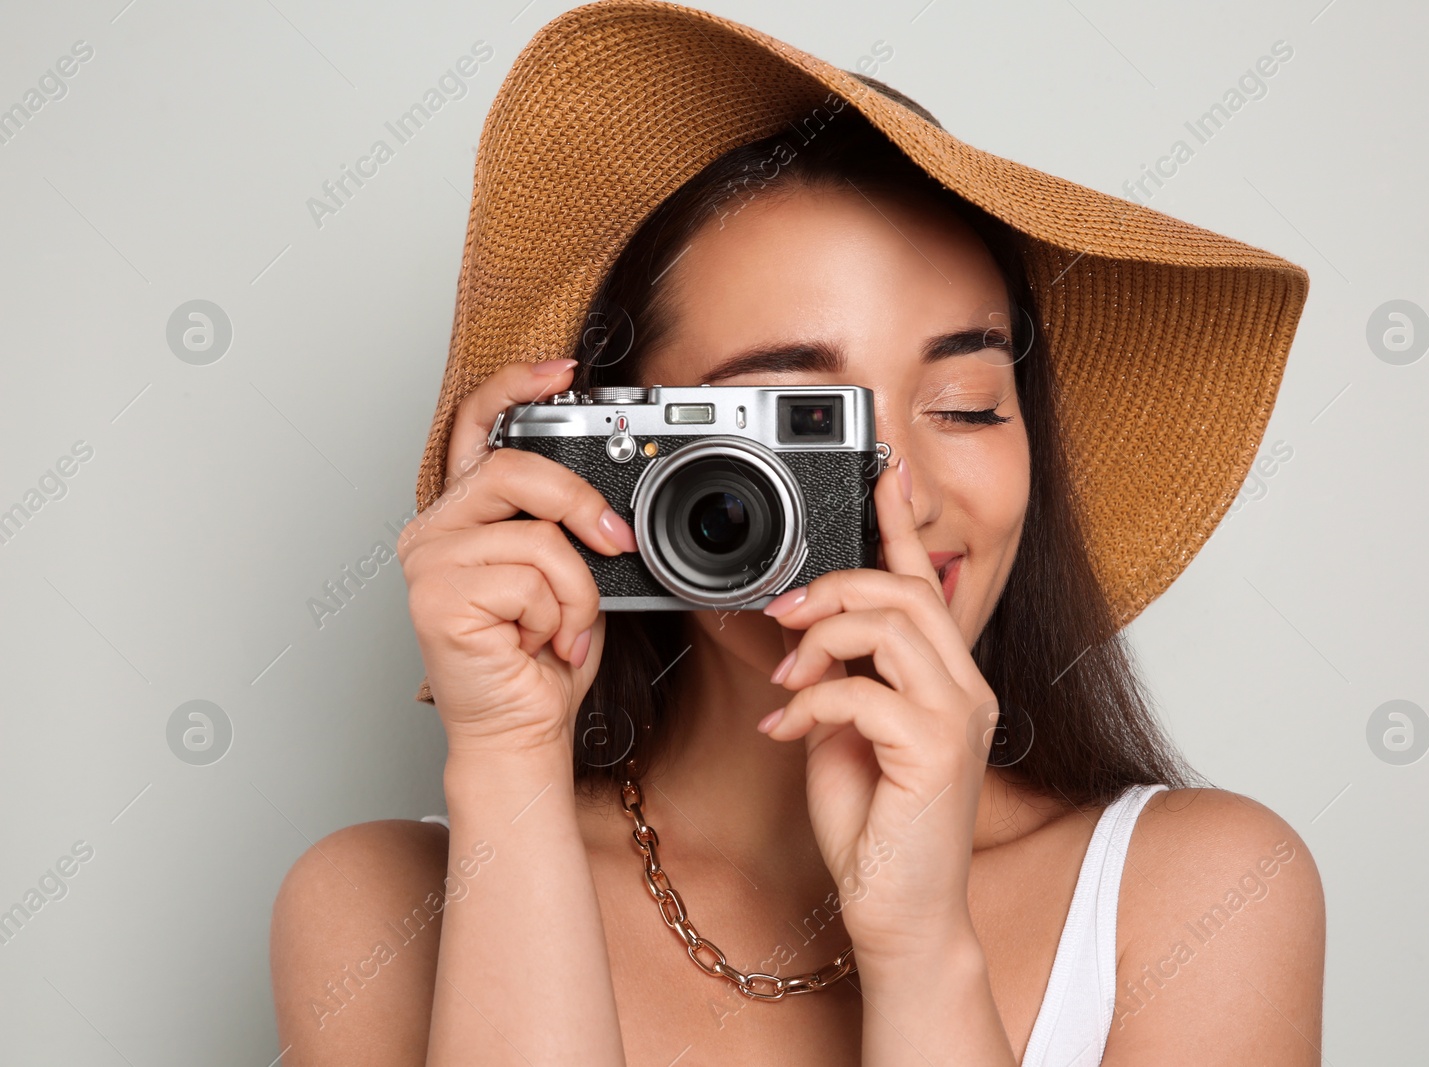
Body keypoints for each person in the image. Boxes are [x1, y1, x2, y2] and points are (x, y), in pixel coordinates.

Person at [269, 4, 1324, 1064]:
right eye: (793, 426)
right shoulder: (376, 911)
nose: (895, 497)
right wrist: (506, 763)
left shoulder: (1204, 894)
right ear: (615, 466)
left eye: (964, 404)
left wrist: (920, 949)